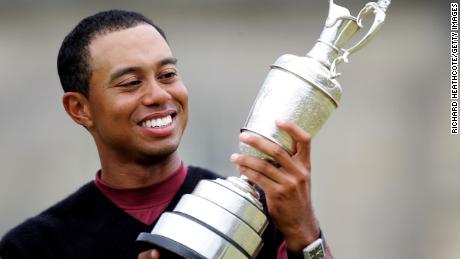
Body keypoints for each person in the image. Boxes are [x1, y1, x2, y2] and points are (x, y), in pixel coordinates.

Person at [0, 10, 333, 259]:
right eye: (131, 83)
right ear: (79, 109)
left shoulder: (259, 215)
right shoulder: (33, 247)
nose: (159, 95)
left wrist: (304, 231)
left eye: (168, 74)